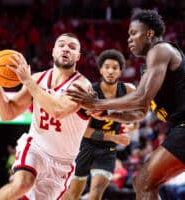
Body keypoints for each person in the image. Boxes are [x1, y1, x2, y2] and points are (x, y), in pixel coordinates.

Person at [67, 9, 185, 200]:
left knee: (144, 181)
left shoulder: (160, 50)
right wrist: (108, 113)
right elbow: (140, 112)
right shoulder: (148, 69)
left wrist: (97, 102)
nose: (129, 39)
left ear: (149, 33)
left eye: (133, 33)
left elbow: (141, 97)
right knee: (143, 183)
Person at [0, 33, 92, 200]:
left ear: (78, 57)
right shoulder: (38, 78)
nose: (66, 48)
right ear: (53, 51)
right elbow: (7, 113)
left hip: (61, 162)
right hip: (36, 147)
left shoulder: (82, 85)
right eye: (62, 45)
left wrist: (28, 81)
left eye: (72, 47)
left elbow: (58, 111)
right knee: (22, 184)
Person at [62, 49, 144, 200]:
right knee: (72, 194)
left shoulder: (128, 90)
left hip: (107, 149)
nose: (110, 71)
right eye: (107, 67)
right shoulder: (90, 91)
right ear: (100, 70)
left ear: (120, 71)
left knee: (96, 193)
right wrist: (115, 138)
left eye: (115, 68)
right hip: (84, 145)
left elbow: (135, 121)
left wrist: (130, 126)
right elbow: (83, 132)